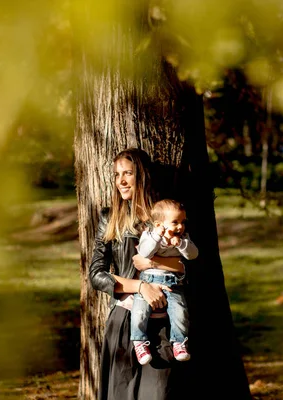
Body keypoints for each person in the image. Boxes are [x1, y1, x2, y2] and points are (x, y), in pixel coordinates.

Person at [89, 148, 186, 400]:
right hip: (123, 321)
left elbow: (188, 268)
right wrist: (142, 287)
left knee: (158, 394)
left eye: (128, 173)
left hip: (163, 322)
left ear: (141, 176)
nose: (121, 181)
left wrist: (153, 264)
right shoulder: (109, 219)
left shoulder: (166, 218)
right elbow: (97, 274)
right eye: (117, 175)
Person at [131, 199, 198, 365]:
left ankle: (179, 343)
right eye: (175, 222)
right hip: (148, 281)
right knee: (139, 311)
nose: (180, 227)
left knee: (180, 312)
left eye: (182, 222)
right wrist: (156, 236)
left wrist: (182, 244)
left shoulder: (183, 238)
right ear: (159, 224)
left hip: (173, 283)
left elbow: (193, 254)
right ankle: (139, 342)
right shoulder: (149, 235)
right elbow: (145, 252)